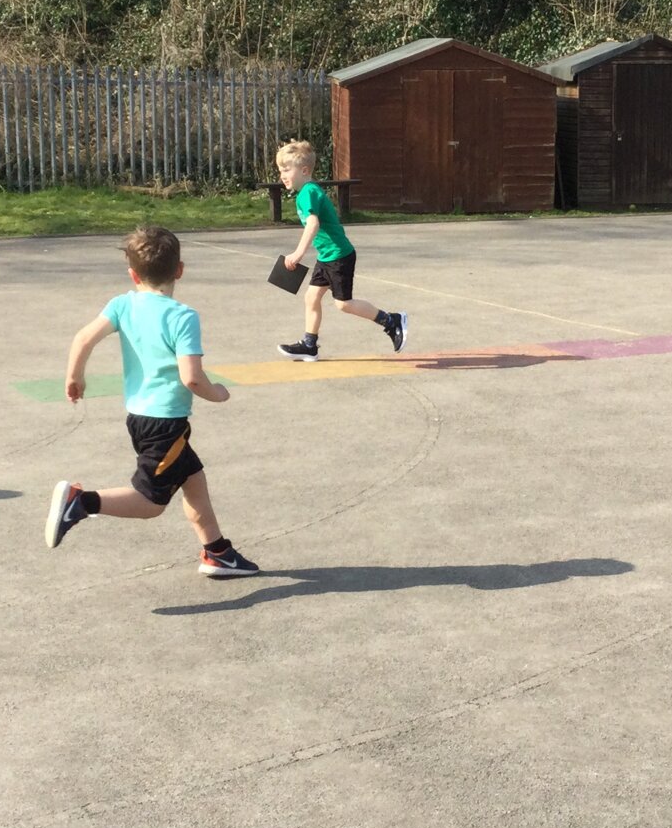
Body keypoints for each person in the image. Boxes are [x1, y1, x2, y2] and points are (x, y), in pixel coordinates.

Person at [43, 225, 258, 578]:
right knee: (150, 503)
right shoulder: (182, 316)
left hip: (141, 418)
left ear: (132, 273)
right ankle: (80, 502)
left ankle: (217, 552)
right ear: (180, 270)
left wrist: (75, 377)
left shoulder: (122, 304)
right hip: (166, 423)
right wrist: (217, 393)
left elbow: (83, 339)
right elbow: (191, 377)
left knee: (194, 481)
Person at [273, 139, 409, 361]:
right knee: (311, 297)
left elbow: (313, 224)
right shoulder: (307, 192)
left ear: (304, 170)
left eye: (286, 170)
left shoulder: (308, 192)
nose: (282, 175)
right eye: (281, 170)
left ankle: (391, 321)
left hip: (339, 256)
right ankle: (309, 345)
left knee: (343, 304)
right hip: (327, 256)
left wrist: (298, 254)